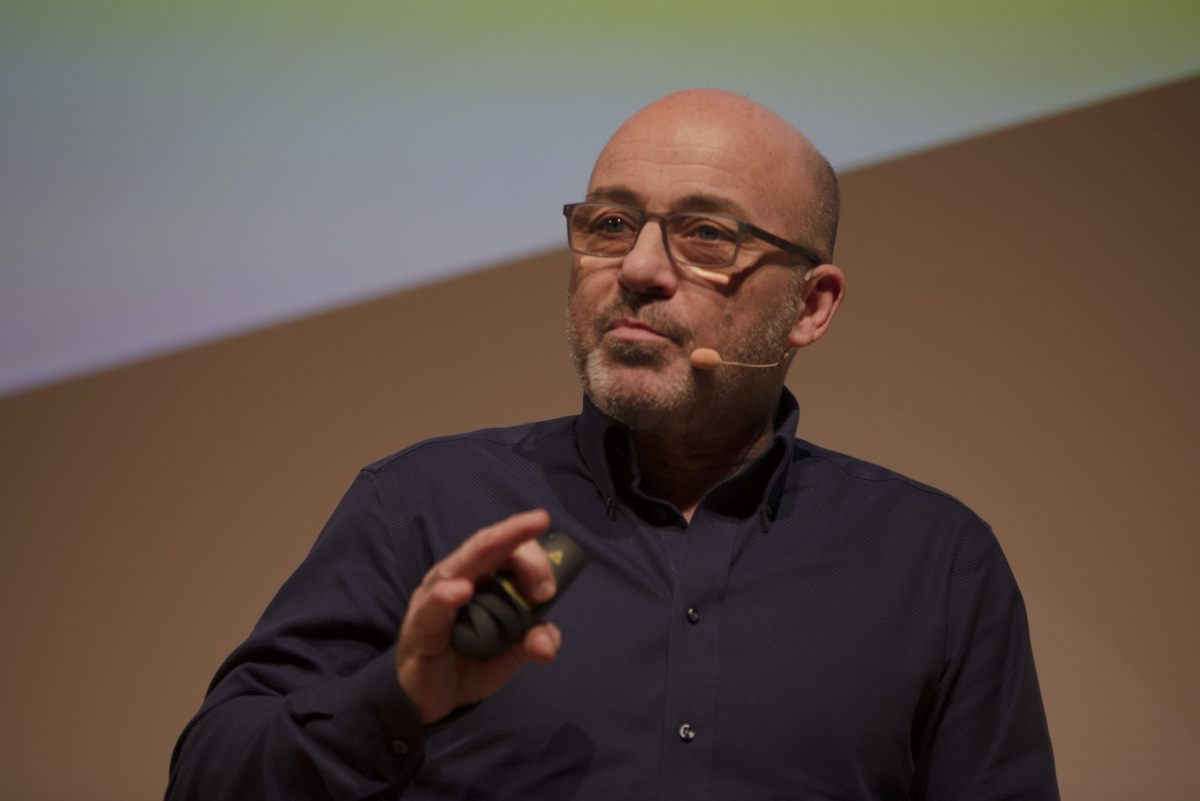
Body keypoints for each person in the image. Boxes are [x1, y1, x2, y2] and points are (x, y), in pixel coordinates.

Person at [166, 89, 1058, 800]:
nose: (638, 269)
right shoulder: (423, 503)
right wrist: (395, 699)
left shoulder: (935, 560)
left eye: (706, 235)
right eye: (609, 225)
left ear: (811, 306)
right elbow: (208, 777)